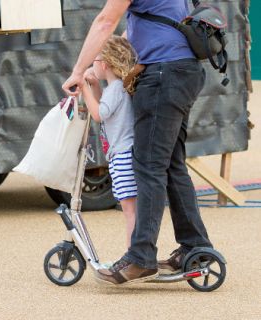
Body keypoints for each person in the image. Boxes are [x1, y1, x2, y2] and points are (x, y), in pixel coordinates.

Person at [62, 0, 213, 285]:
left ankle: (141, 257)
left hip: (162, 75)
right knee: (171, 165)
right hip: (183, 71)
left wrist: (79, 70)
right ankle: (195, 246)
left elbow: (106, 21)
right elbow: (132, 32)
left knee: (149, 166)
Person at [82, 36, 138, 248]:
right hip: (122, 153)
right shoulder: (115, 87)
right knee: (131, 210)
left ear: (104, 64)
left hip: (122, 154)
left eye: (94, 59)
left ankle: (132, 253)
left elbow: (98, 114)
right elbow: (105, 106)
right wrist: (94, 86)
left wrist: (84, 88)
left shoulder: (116, 89)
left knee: (130, 211)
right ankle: (134, 252)